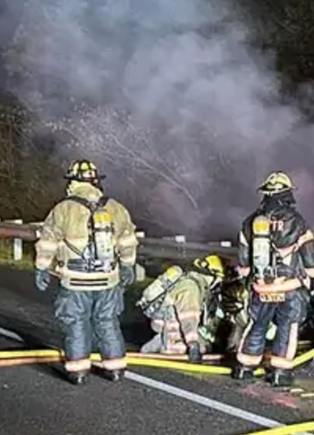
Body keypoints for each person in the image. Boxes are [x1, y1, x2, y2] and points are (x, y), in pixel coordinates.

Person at [33, 159, 139, 384]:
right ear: (96, 182)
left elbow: (47, 242)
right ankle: (116, 369)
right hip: (108, 279)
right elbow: (128, 241)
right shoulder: (115, 208)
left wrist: (42, 267)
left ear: (72, 182)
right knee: (107, 320)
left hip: (75, 281)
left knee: (76, 322)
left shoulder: (63, 209)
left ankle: (79, 371)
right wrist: (128, 266)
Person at [232, 171, 314, 386]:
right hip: (289, 287)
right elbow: (310, 257)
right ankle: (280, 372)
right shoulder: (297, 222)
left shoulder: (250, 222)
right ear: (288, 194)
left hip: (262, 287)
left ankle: (245, 367)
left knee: (257, 324)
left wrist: (250, 279)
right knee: (287, 327)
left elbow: (244, 260)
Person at [137, 254, 227, 362]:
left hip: (166, 325)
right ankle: (168, 349)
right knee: (202, 348)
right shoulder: (191, 288)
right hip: (171, 327)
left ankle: (151, 349)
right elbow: (188, 319)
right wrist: (193, 344)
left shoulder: (190, 281)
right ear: (212, 276)